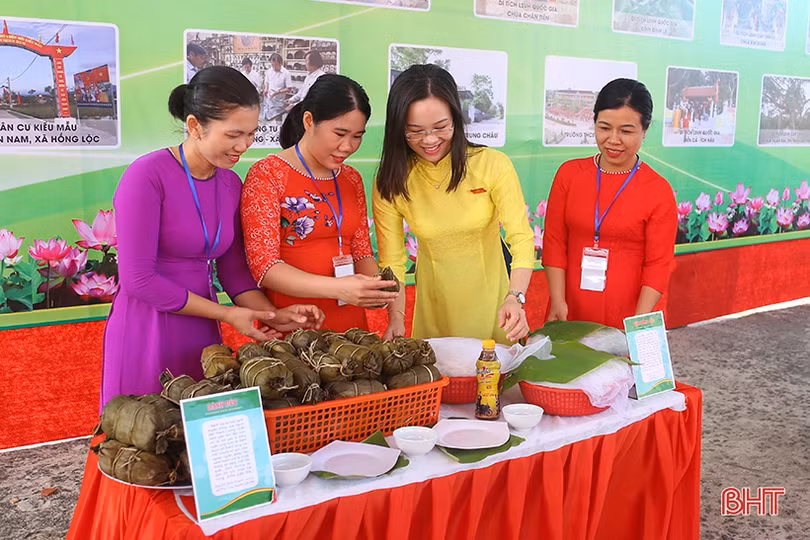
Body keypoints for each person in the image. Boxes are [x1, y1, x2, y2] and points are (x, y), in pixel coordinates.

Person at [101, 66, 324, 408]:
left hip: (202, 329)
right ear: (195, 126)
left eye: (251, 134)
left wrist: (273, 315)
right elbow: (138, 279)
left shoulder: (230, 183)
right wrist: (226, 314)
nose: (244, 146)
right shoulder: (146, 176)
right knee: (145, 432)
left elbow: (233, 273)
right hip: (147, 328)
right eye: (233, 134)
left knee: (198, 439)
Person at [373, 64, 534, 344]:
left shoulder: (491, 165)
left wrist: (515, 298)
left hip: (496, 313)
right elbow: (393, 262)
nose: (430, 140)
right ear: (398, 128)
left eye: (440, 127)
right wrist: (396, 318)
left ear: (456, 119)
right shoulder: (392, 181)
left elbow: (521, 239)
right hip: (435, 315)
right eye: (415, 131)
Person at [242, 74, 398, 332]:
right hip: (294, 324)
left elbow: (360, 253)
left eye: (357, 136)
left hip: (352, 328)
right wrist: (340, 288)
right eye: (339, 133)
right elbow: (265, 267)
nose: (348, 146)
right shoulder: (268, 174)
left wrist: (375, 287)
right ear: (308, 121)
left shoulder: (351, 178)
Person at [542, 78, 678, 330]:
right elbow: (554, 243)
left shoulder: (657, 190)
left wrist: (638, 321)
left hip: (633, 311)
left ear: (644, 130)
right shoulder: (569, 175)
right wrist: (558, 301)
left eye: (626, 131)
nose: (613, 140)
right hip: (570, 307)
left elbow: (658, 264)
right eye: (604, 128)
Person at [264, 52, 293, 122]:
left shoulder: (286, 73)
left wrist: (278, 92)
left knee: (277, 120)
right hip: (269, 100)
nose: (274, 67)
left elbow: (289, 89)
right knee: (268, 120)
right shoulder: (269, 71)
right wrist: (266, 89)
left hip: (279, 102)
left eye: (276, 65)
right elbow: (266, 82)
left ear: (280, 63)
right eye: (272, 65)